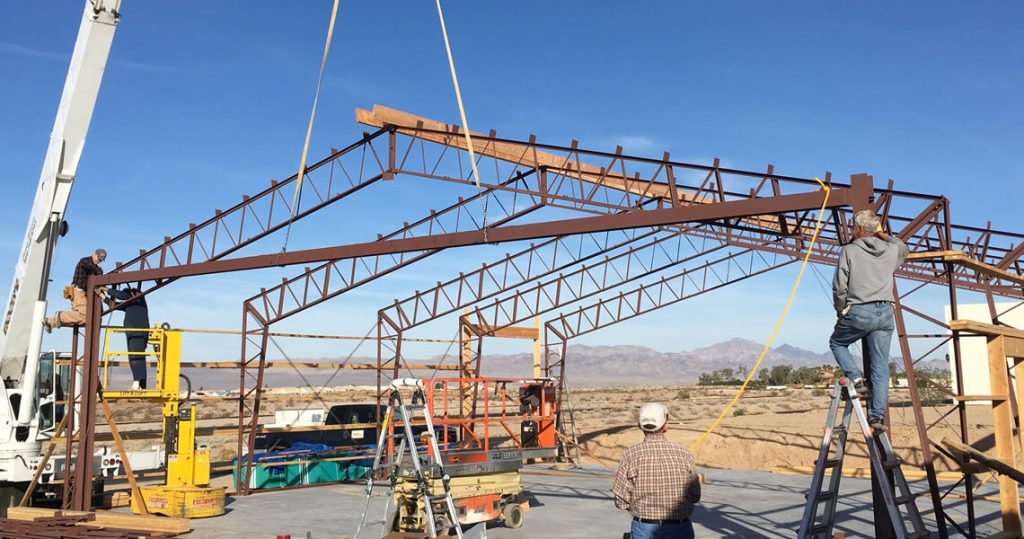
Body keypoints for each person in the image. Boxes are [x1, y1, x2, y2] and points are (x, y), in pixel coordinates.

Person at [830, 210, 909, 434]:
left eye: (853, 226)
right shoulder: (891, 250)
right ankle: (876, 417)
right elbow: (904, 248)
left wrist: (840, 310)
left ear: (859, 229)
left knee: (837, 343)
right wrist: (883, 234)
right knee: (880, 366)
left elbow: (839, 286)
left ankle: (856, 379)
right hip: (885, 311)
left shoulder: (849, 251)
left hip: (859, 310)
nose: (851, 230)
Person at [612, 402, 700, 539]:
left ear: (640, 426)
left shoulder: (630, 455)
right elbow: (695, 495)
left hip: (644, 528)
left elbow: (621, 500)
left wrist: (637, 508)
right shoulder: (683, 453)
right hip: (680, 527)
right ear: (666, 426)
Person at [43, 248, 107, 332]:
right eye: (98, 258)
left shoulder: (93, 267)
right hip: (79, 291)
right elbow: (90, 266)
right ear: (94, 254)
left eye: (101, 260)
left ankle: (51, 322)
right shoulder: (85, 261)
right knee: (86, 316)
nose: (99, 261)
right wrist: (100, 271)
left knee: (82, 319)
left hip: (82, 294)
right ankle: (60, 316)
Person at [106, 286, 150, 390]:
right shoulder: (132, 304)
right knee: (135, 357)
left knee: (136, 358)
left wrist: (105, 289)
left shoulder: (138, 297)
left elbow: (122, 296)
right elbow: (114, 305)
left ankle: (137, 382)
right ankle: (141, 384)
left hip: (137, 332)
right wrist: (102, 296)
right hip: (134, 333)